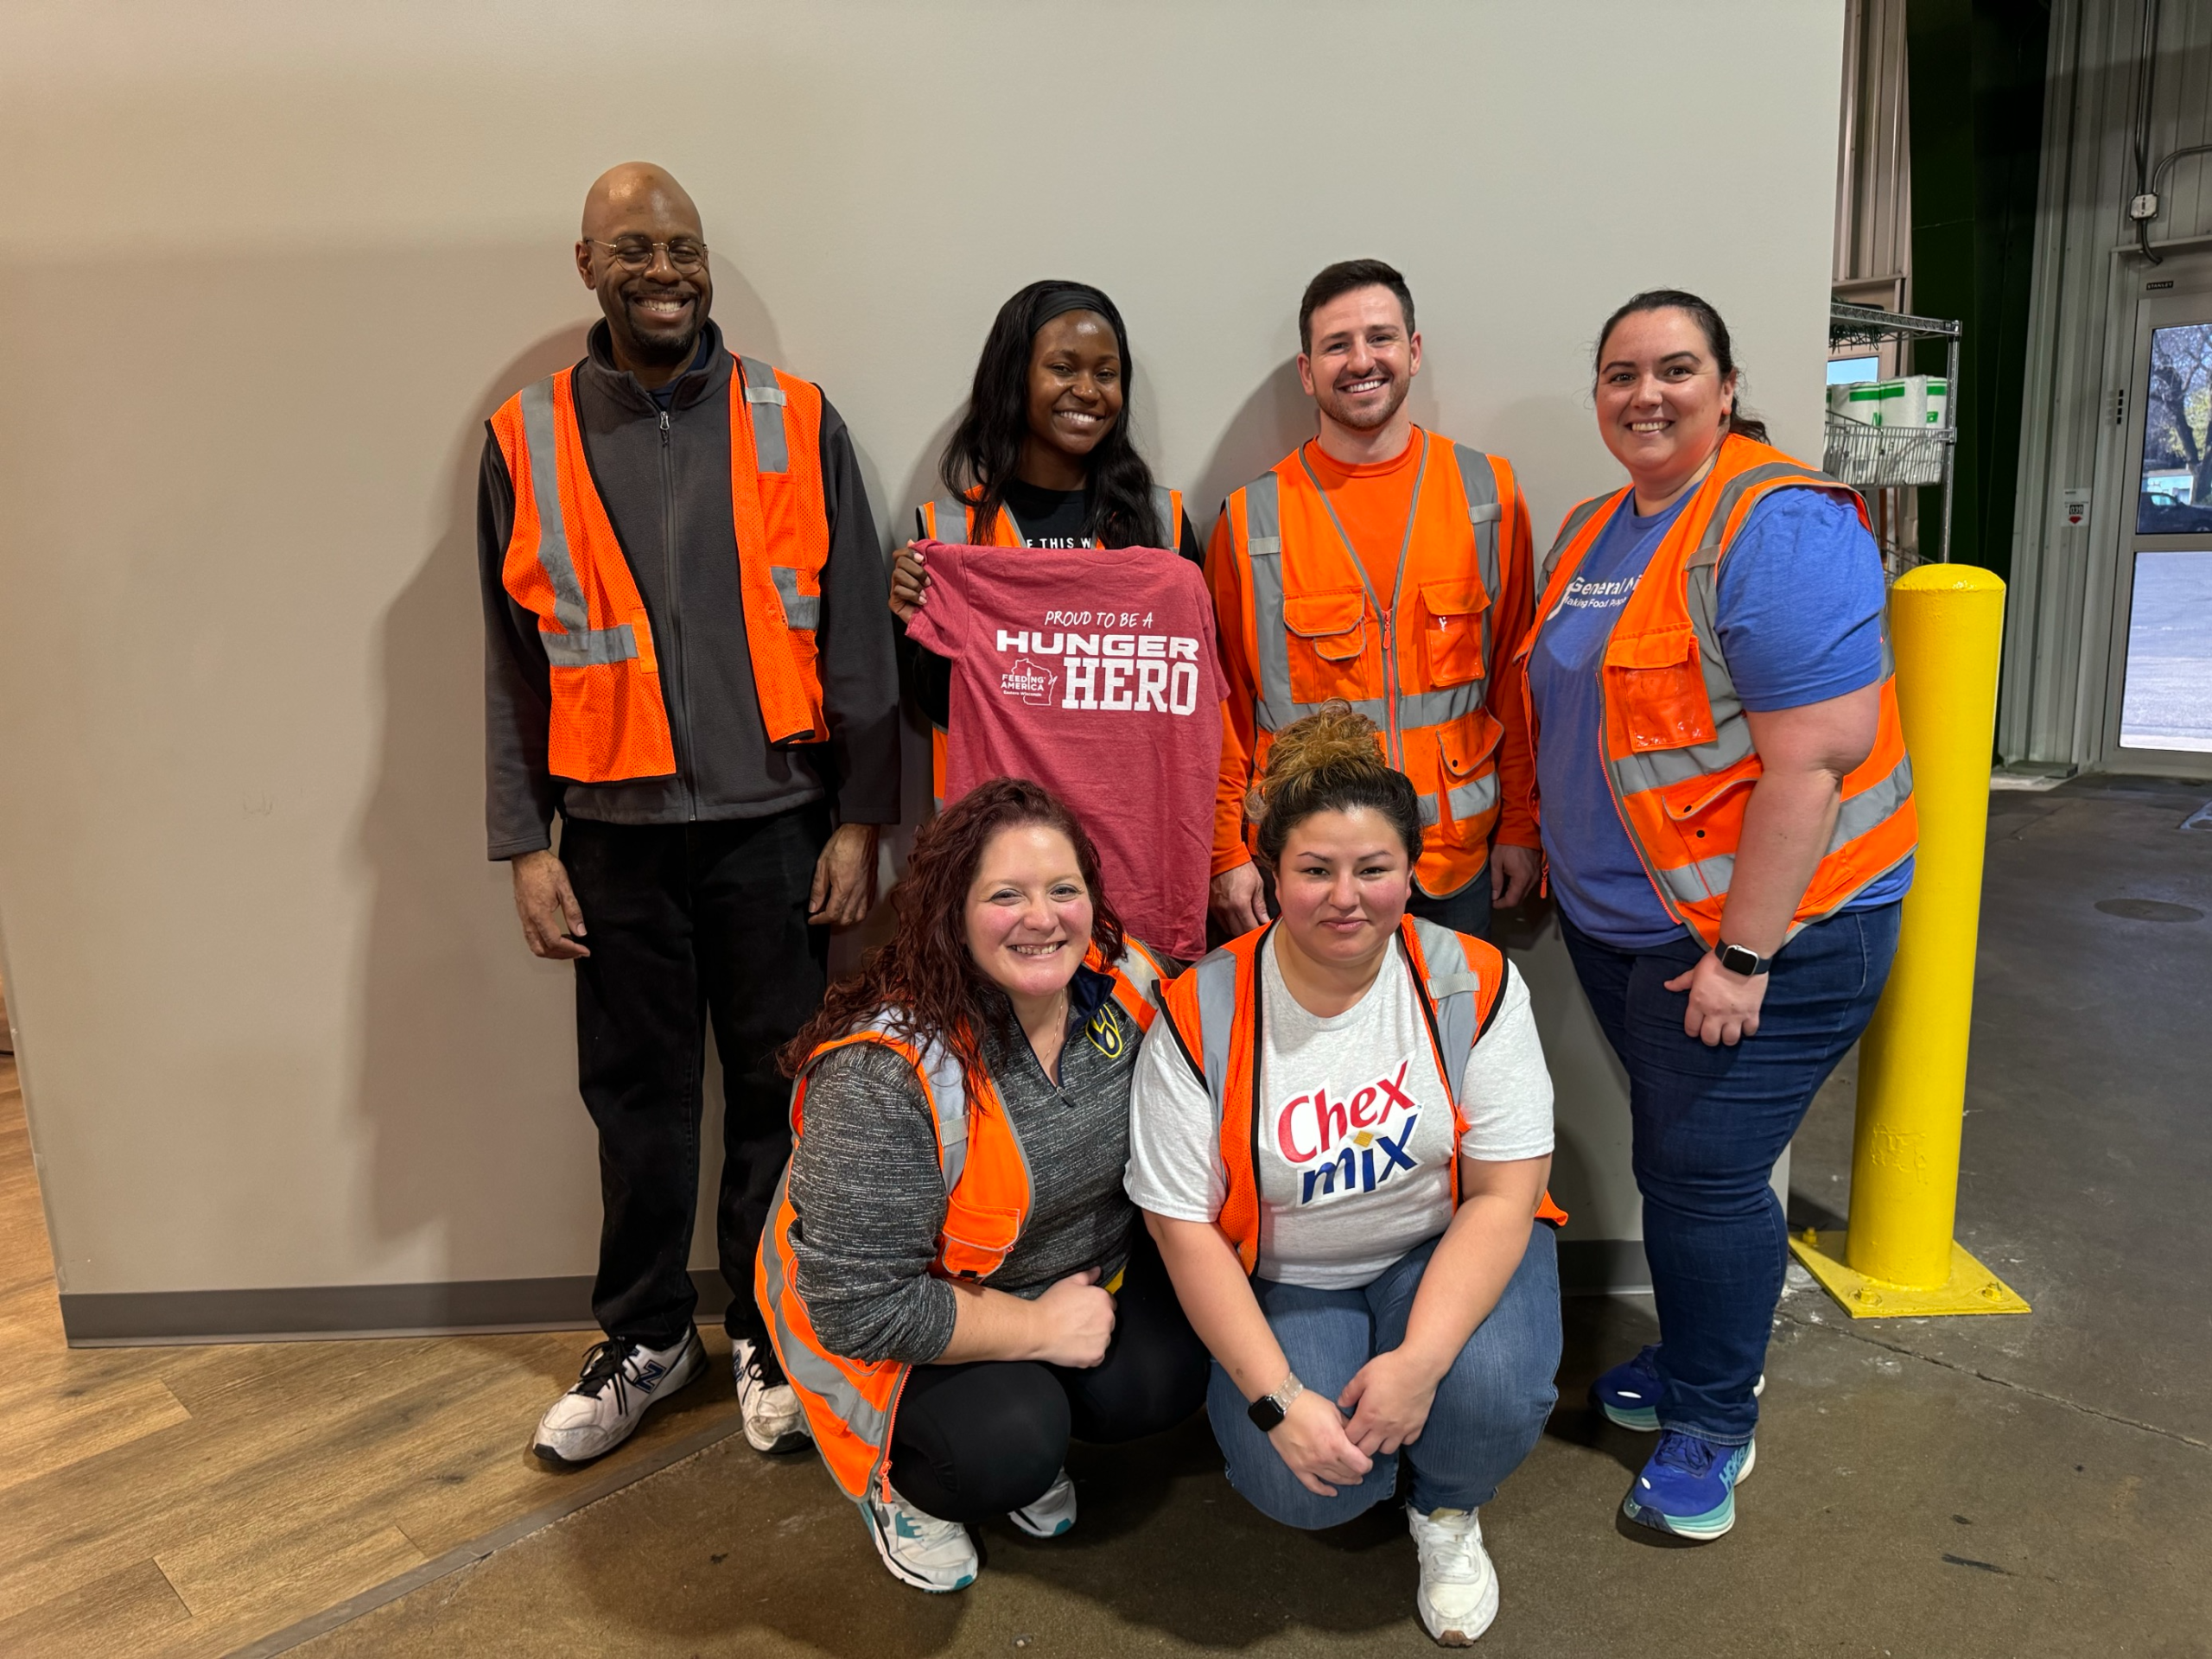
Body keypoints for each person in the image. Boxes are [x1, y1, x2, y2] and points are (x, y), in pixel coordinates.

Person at [480, 162, 900, 1465]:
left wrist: (860, 818)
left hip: (780, 823)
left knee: (785, 1094)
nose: (664, 270)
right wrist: (521, 842)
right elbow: (506, 657)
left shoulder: (796, 417)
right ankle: (651, 1336)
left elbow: (855, 638)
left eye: (684, 248)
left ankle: (772, 1330)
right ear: (586, 262)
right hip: (609, 836)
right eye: (635, 248)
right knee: (640, 1101)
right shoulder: (523, 435)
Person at [1514, 289, 1916, 1541]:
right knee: (1680, 1164)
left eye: (1676, 369)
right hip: (1628, 927)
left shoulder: (1780, 524)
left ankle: (1714, 1421)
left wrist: (1744, 955)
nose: (1647, 394)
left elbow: (1811, 766)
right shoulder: (1595, 531)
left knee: (1703, 1174)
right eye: (1621, 373)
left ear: (1726, 386)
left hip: (1769, 938)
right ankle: (1695, 1362)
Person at [1128, 708, 1565, 1648]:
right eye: (1314, 870)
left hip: (1441, 1244)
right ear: (1270, 874)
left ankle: (1445, 1509)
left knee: (1486, 1388)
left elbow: (1505, 1193)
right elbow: (1181, 1230)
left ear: (1411, 870)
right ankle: (1378, 1456)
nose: (1346, 897)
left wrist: (1419, 1364)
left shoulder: (1472, 980)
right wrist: (1281, 1402)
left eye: (1373, 870)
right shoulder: (1198, 1011)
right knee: (1305, 1487)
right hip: (1293, 1277)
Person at [758, 779, 1209, 1593]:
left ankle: (1037, 1401)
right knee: (1003, 1446)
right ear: (951, 913)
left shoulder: (1131, 981)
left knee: (1168, 1374)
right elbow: (860, 1306)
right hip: (899, 1318)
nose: (1043, 919)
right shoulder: (882, 1072)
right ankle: (904, 1491)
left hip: (1077, 1279)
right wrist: (1038, 1330)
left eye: (1063, 890)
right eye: (1007, 895)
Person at [1208, 260, 1541, 949]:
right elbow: (1225, 707)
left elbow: (1515, 678)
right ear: (1307, 370)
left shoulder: (1488, 493)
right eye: (1337, 345)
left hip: (1454, 862)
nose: (1362, 361)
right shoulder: (1251, 519)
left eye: (1381, 338)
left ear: (1413, 352)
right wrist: (1225, 854)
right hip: (1308, 866)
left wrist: (1521, 825)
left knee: (1448, 1050)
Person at [889, 280, 1203, 810]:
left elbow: (1187, 708)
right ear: (1014, 377)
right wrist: (915, 619)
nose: (1087, 390)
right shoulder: (946, 530)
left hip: (1131, 828)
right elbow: (942, 710)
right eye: (1063, 368)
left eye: (1106, 374)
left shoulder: (1164, 526)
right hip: (994, 843)